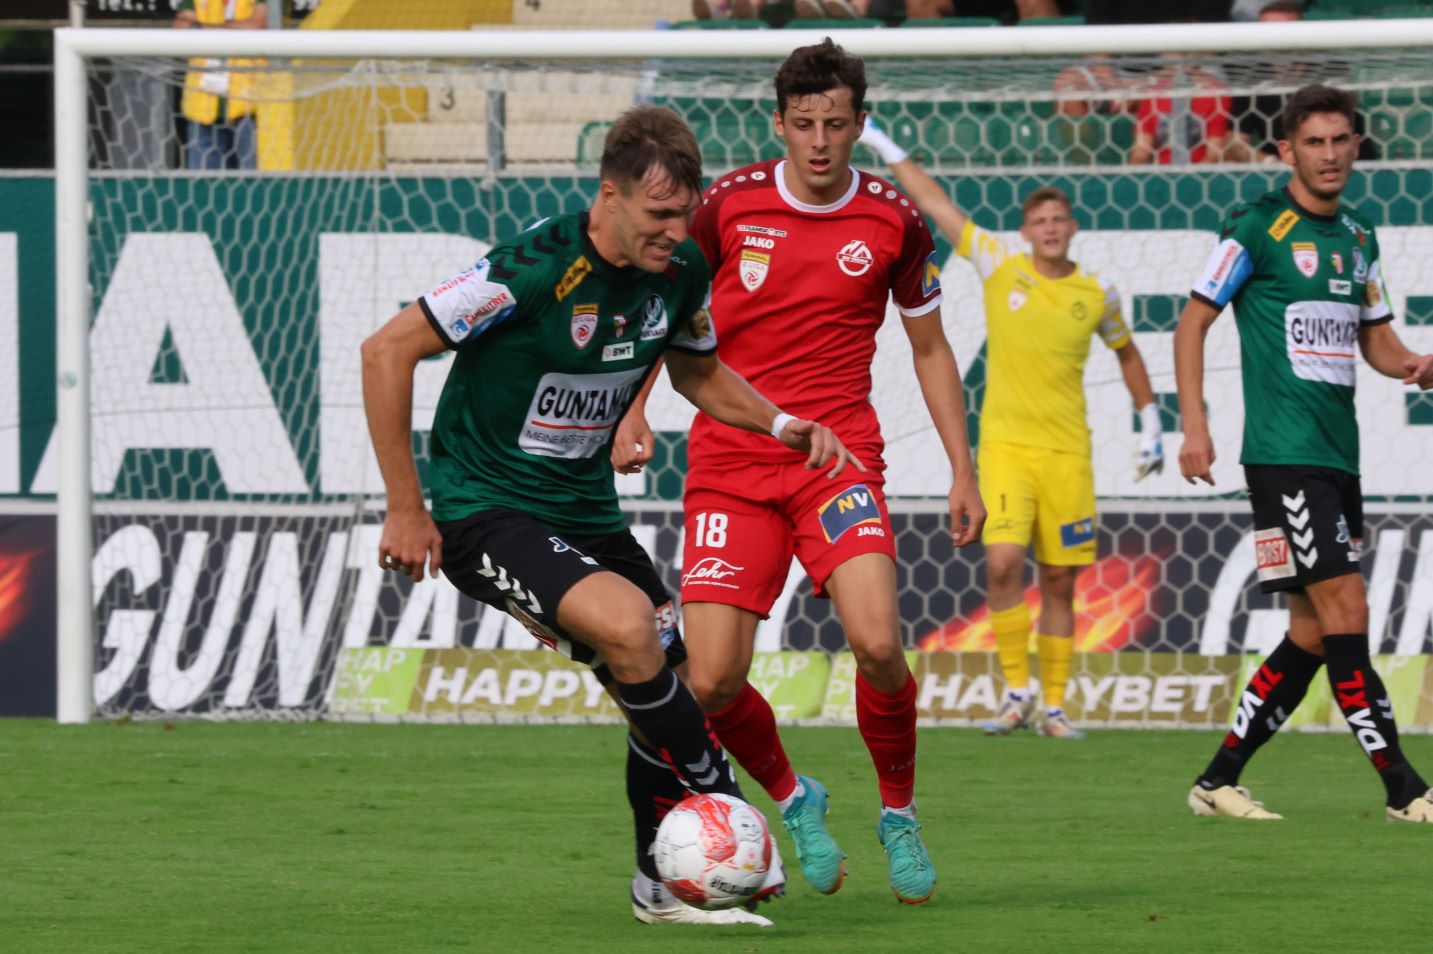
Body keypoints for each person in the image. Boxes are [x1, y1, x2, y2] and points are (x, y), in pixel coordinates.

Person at [362, 106, 864, 926]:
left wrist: (779, 422)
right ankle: (729, 815)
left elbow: (697, 375)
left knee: (683, 676)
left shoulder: (683, 271)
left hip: (585, 516)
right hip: (486, 508)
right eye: (660, 214)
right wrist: (406, 507)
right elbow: (385, 350)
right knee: (632, 630)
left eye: (685, 213)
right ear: (609, 198)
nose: (677, 230)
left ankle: (660, 886)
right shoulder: (531, 266)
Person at [616, 39, 985, 906]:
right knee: (708, 680)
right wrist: (633, 410)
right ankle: (793, 796)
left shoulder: (892, 219)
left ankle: (898, 812)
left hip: (838, 458)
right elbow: (661, 312)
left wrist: (961, 470)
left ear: (860, 124)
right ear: (776, 123)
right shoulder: (726, 207)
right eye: (804, 124)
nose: (820, 142)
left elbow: (929, 348)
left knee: (880, 643)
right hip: (731, 461)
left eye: (837, 124)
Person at [1175, 84, 1433, 822]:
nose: (1329, 155)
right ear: (1286, 149)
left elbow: (1376, 340)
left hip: (1337, 458)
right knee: (1347, 606)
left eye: (1340, 140)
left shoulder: (1359, 237)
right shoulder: (1255, 227)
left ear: (1356, 146)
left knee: (1312, 633)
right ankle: (1403, 789)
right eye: (1313, 142)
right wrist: (1195, 428)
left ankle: (1216, 781)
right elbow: (1190, 323)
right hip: (1282, 456)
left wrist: (1414, 361)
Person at [859, 121, 1164, 739]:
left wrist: (1150, 421)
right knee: (1002, 565)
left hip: (1068, 454)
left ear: (1072, 226)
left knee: (1058, 578)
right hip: (1005, 449)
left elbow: (1128, 354)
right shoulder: (1001, 263)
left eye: (1059, 219)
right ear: (1026, 231)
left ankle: (1054, 706)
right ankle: (1015, 693)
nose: (1050, 228)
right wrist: (883, 145)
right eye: (1040, 221)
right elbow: (938, 205)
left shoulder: (1096, 294)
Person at [1221, 3, 1380, 165]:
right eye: (1266, 32)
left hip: (1344, 169)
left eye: (1284, 33)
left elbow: (1336, 135)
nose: (1275, 40)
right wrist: (1271, 162)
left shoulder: (1330, 69)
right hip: (1282, 174)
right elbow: (1235, 144)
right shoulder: (1253, 76)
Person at [173, 0, 269, 171]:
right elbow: (181, 29)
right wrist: (236, 30)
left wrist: (201, 28)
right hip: (203, 106)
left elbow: (258, 26)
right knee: (203, 191)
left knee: (255, 190)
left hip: (255, 110)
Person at [1128, 52, 1233, 165]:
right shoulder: (1152, 94)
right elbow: (1140, 153)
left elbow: (1213, 155)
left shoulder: (1215, 94)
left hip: (1202, 172)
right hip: (1164, 172)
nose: (1181, 56)